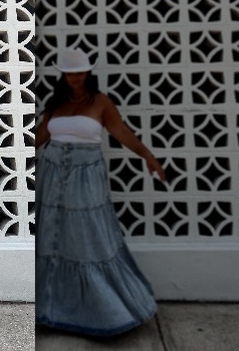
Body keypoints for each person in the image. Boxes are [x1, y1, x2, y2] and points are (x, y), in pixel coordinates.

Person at [35, 47, 167, 336]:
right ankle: (50, 309)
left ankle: (103, 311)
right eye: (70, 73)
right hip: (53, 173)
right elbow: (40, 137)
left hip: (87, 176)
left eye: (80, 72)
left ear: (88, 72)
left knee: (88, 237)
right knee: (52, 238)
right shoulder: (56, 102)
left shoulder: (101, 102)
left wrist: (147, 155)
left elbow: (120, 131)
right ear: (64, 75)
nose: (75, 78)